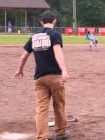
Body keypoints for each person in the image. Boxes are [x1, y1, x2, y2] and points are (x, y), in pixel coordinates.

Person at [14, 11, 69, 140]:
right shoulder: (55, 34)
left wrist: (20, 70)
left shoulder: (34, 36)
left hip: (39, 78)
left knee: (41, 108)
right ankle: (60, 133)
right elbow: (58, 53)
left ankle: (41, 137)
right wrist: (64, 70)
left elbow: (23, 57)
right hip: (55, 76)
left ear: (41, 22)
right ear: (54, 21)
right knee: (59, 105)